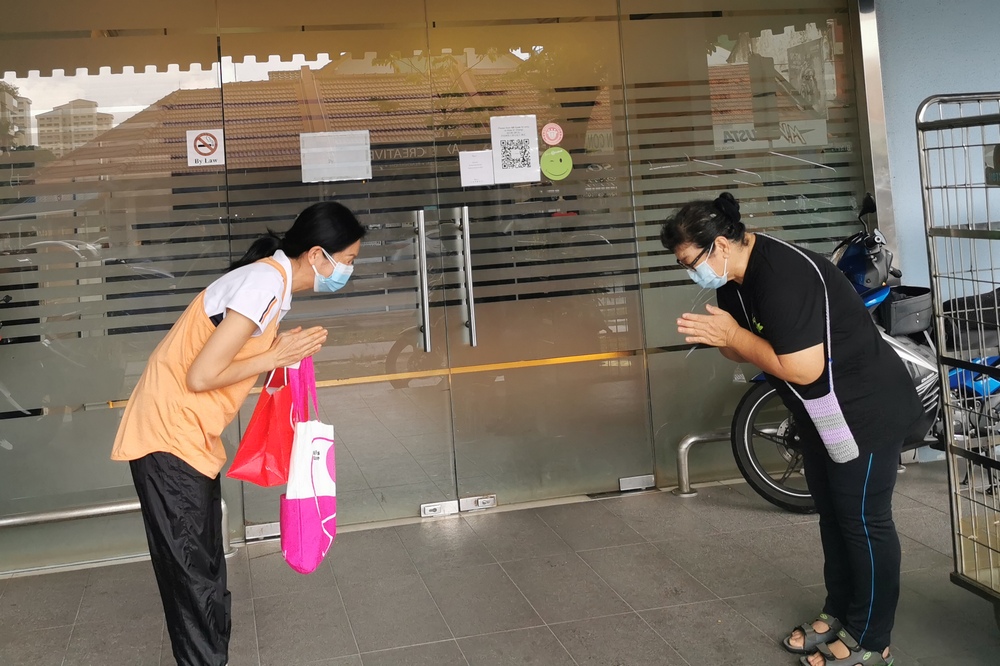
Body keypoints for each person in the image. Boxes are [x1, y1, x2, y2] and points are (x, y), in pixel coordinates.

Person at [660, 192, 921, 666]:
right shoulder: (733, 280)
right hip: (821, 413)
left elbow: (799, 366)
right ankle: (839, 612)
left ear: (719, 245)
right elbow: (739, 349)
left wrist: (735, 337)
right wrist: (730, 338)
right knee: (834, 516)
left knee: (864, 521)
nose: (690, 272)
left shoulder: (782, 276)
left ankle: (871, 636)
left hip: (862, 409)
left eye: (689, 261)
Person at [111, 201, 365, 666]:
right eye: (346, 260)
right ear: (316, 255)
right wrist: (277, 355)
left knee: (204, 568)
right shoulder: (265, 283)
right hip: (169, 436)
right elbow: (202, 376)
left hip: (188, 436)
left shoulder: (272, 284)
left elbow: (229, 365)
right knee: (194, 577)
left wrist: (283, 357)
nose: (347, 270)